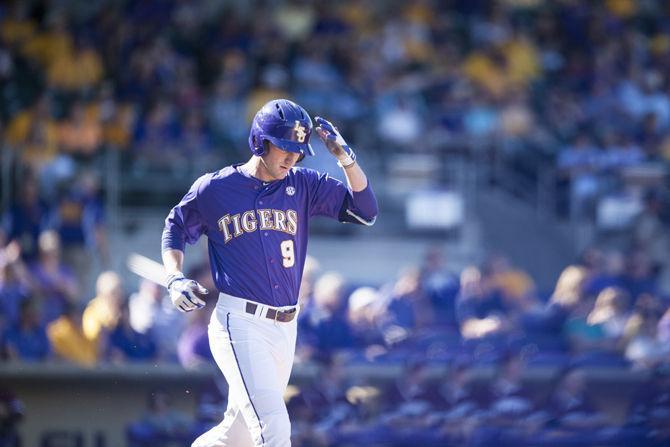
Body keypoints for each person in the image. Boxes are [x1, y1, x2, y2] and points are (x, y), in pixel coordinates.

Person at [161, 98, 378, 446]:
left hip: (284, 328)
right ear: (260, 142)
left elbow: (365, 211)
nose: (292, 157)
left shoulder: (303, 185)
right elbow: (175, 226)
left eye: (299, 150)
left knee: (237, 435)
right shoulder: (215, 188)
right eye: (285, 147)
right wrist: (174, 276)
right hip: (239, 322)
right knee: (274, 427)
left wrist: (345, 158)